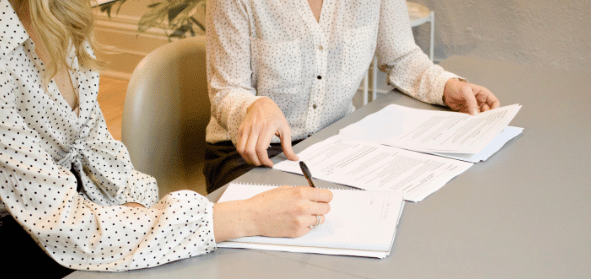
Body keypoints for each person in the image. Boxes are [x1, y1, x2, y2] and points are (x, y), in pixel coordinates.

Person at [0, 0, 332, 279]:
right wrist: (246, 218)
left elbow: (97, 147)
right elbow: (68, 226)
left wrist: (136, 210)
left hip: (74, 219)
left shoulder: (62, 15)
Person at [204, 0, 501, 193]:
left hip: (334, 145)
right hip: (250, 155)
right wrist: (254, 106)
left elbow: (401, 57)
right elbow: (226, 91)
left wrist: (447, 86)